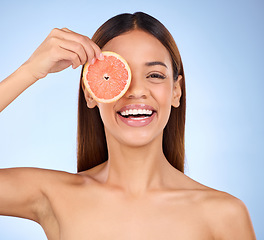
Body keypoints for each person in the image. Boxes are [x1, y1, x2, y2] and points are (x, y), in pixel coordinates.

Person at [0, 12, 256, 239]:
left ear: (176, 91)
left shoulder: (225, 214)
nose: (136, 91)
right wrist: (30, 71)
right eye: (114, 76)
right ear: (90, 93)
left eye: (154, 75)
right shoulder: (53, 196)